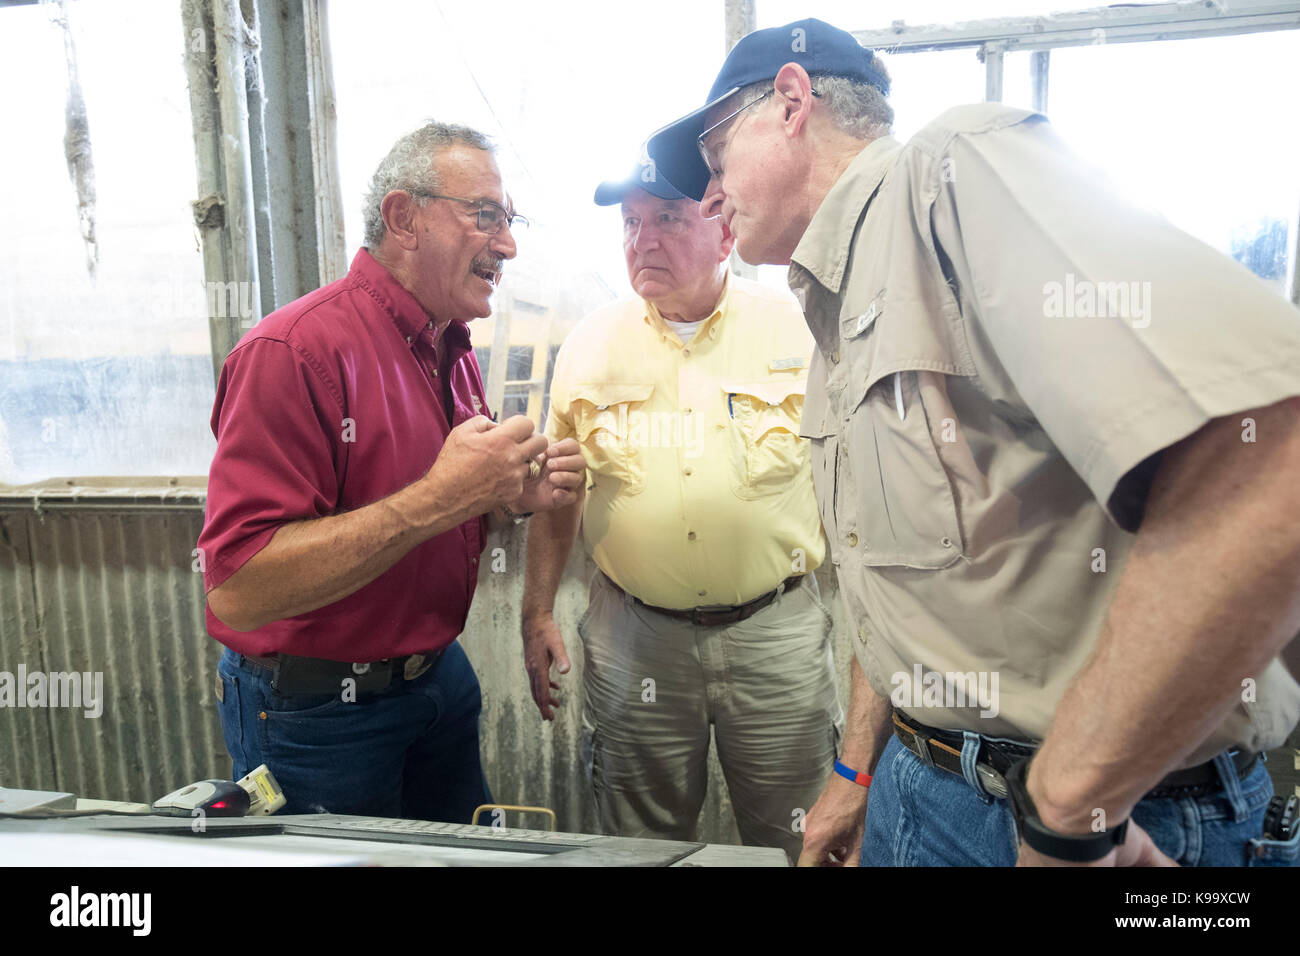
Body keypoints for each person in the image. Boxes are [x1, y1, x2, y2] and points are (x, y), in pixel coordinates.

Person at [646, 17, 1300, 867]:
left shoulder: (953, 174)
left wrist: (1068, 814)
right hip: (922, 787)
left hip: (1110, 820)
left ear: (793, 102)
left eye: (714, 151)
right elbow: (906, 596)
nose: (706, 196)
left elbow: (1269, 461)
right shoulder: (835, 322)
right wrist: (856, 771)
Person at [199, 121, 585, 821]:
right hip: (319, 715)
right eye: (486, 216)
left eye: (510, 219)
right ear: (404, 218)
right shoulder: (292, 352)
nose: (508, 244)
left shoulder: (451, 346)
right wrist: (443, 497)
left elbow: (445, 509)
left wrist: (506, 499)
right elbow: (238, 588)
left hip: (437, 679)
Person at [520, 158, 842, 861]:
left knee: (803, 837)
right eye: (631, 223)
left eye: (667, 218)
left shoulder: (801, 332)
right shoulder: (589, 347)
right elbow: (558, 493)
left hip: (775, 633)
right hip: (637, 636)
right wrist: (537, 609)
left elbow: (858, 479)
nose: (643, 240)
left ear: (724, 230)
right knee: (639, 846)